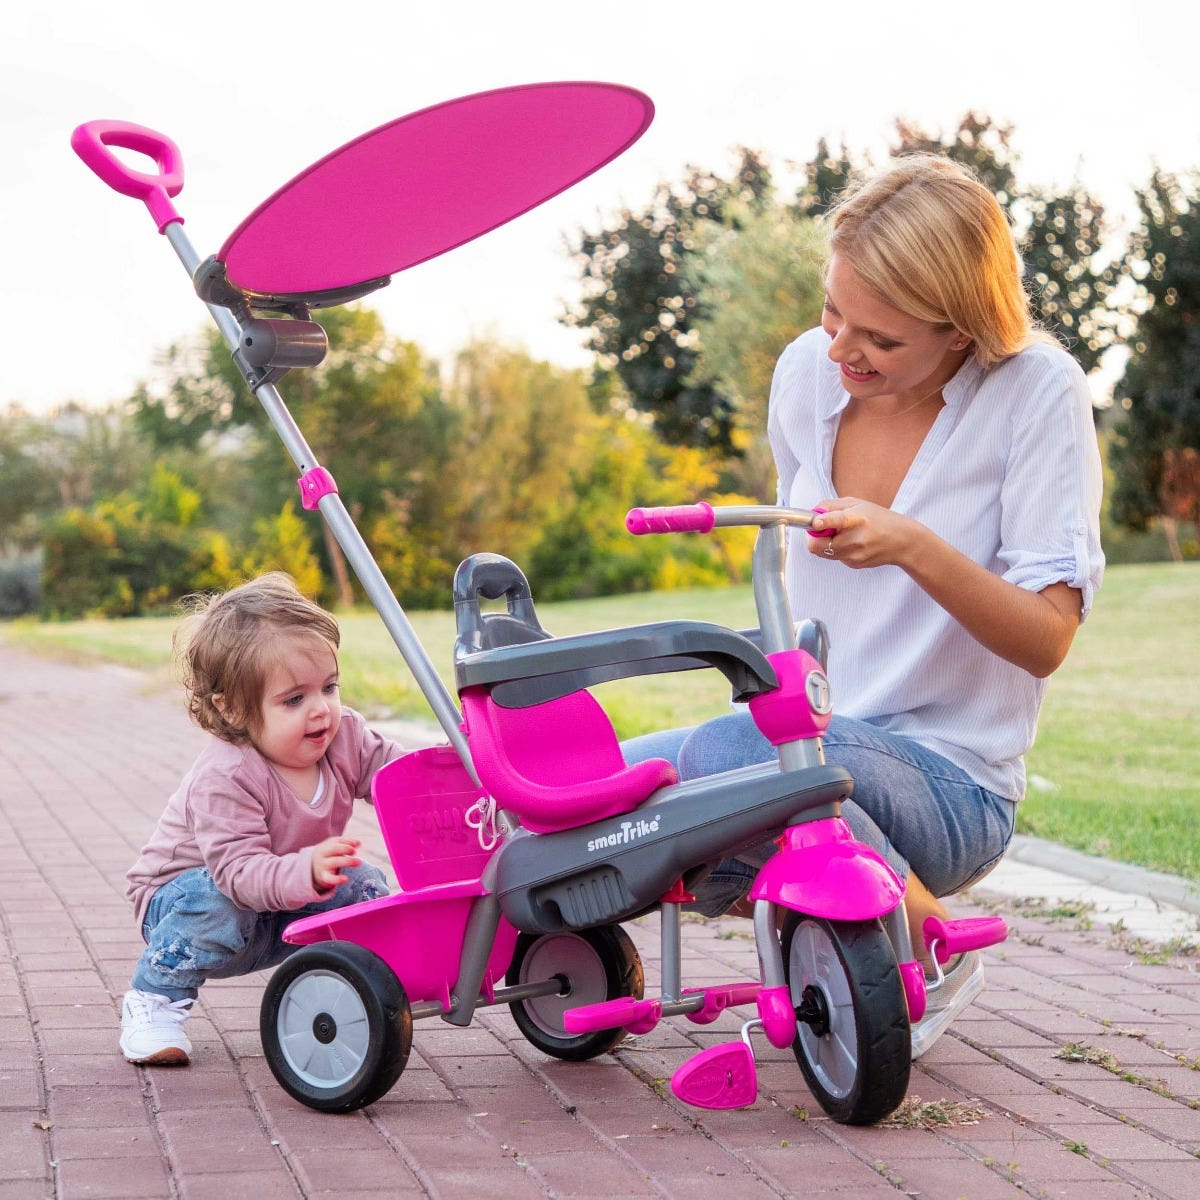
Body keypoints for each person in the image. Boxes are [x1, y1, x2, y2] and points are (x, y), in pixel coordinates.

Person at [626, 154, 1104, 1052]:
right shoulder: (807, 375)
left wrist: (912, 545)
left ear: (961, 330)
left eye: (881, 339)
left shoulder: (1036, 391)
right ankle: (623, 966)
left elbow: (1047, 639)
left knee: (734, 753)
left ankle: (930, 946)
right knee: (592, 788)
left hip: (951, 786)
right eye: (832, 312)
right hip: (806, 745)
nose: (843, 350)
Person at [120, 572, 405, 1066]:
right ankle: (155, 999)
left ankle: (347, 983)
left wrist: (459, 769)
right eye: (294, 699)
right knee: (216, 900)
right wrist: (306, 870)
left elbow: (401, 777)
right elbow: (238, 875)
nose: (321, 710)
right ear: (232, 709)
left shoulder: (345, 737)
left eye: (329, 687)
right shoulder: (227, 774)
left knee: (363, 885)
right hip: (189, 904)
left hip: (276, 908)